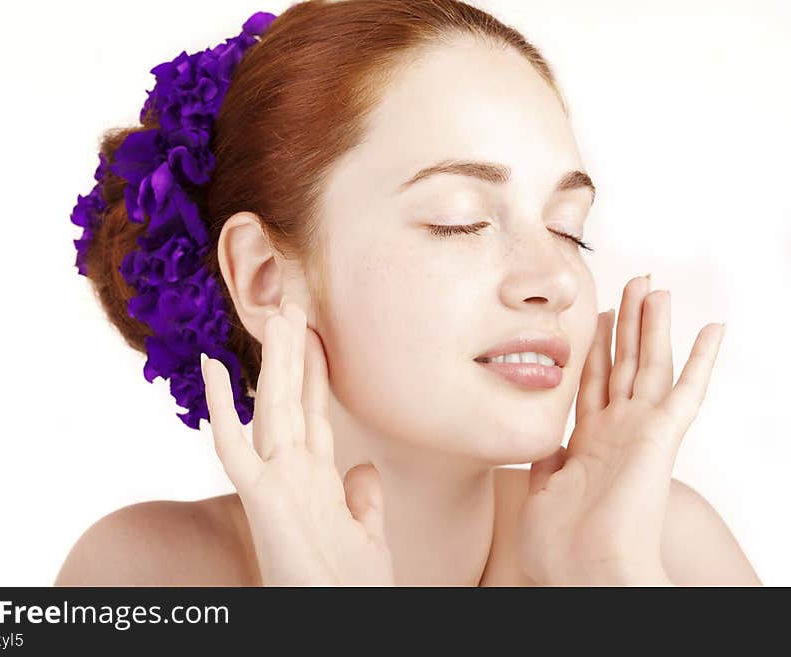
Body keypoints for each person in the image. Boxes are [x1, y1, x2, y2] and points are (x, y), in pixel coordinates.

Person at [55, 0, 761, 586]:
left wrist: (612, 578)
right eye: (461, 220)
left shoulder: (664, 548)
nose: (554, 279)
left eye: (569, 229)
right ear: (266, 276)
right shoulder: (143, 576)